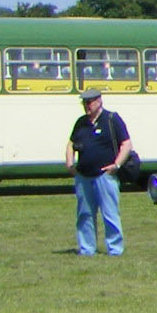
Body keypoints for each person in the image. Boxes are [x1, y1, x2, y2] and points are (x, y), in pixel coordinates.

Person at [65, 86, 132, 257]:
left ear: (99, 101)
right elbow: (71, 144)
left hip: (105, 176)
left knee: (110, 214)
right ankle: (87, 249)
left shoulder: (111, 119)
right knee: (85, 214)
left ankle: (115, 249)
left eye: (89, 102)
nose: (87, 106)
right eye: (84, 103)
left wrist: (116, 165)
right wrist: (70, 163)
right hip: (83, 176)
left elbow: (126, 144)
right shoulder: (81, 123)